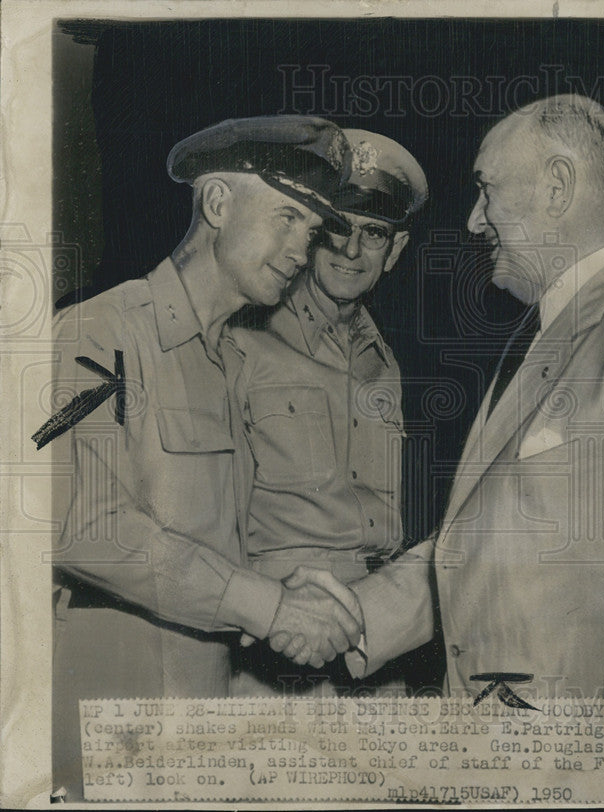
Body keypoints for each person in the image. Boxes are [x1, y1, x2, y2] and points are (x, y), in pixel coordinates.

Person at [288, 94, 604, 698]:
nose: (476, 221)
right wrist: (348, 614)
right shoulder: (546, 336)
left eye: (488, 190)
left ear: (557, 188)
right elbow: (485, 543)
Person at [47, 116, 364, 798]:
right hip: (110, 735)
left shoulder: (231, 362)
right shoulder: (96, 334)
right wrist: (271, 608)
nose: (298, 249)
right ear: (217, 204)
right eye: (285, 217)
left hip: (204, 732)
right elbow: (85, 529)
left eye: (310, 232)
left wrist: (302, 593)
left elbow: (218, 543)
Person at [229, 130, 427, 696]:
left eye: (374, 233)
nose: (350, 251)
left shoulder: (385, 361)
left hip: (379, 645)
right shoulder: (243, 340)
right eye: (336, 227)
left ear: (396, 250)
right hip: (277, 648)